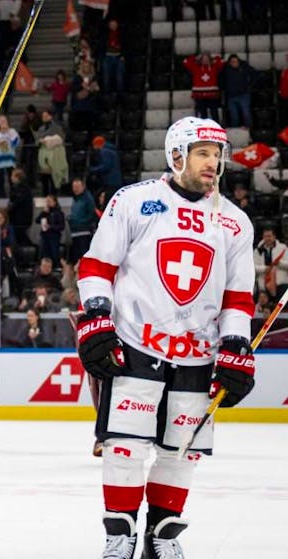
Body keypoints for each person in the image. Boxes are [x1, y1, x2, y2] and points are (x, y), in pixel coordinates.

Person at [76, 117, 255, 558]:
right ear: (177, 155)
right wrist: (97, 318)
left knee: (181, 452)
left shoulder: (235, 222)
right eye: (203, 154)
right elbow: (97, 266)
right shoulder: (135, 200)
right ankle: (120, 536)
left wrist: (235, 346)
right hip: (136, 343)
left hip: (198, 354)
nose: (213, 163)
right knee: (124, 446)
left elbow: (239, 296)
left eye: (217, 155)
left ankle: (163, 537)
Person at [183, 52, 224, 122]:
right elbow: (185, 62)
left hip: (212, 95)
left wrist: (214, 57)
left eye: (207, 59)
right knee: (202, 114)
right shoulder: (195, 67)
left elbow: (222, 62)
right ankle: (204, 128)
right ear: (200, 60)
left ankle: (216, 127)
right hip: (199, 96)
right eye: (203, 59)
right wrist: (195, 57)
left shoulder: (214, 67)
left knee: (214, 113)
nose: (205, 61)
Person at [67, 177, 96, 265]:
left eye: (77, 187)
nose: (75, 189)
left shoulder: (88, 199)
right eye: (74, 187)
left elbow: (91, 215)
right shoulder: (76, 199)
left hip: (83, 232)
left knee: (83, 257)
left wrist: (79, 222)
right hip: (75, 232)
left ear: (83, 187)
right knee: (77, 258)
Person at [254, 227, 288, 299]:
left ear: (274, 237)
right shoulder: (258, 250)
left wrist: (280, 263)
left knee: (282, 309)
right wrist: (264, 269)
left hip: (281, 284)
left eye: (269, 236)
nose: (267, 238)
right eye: (265, 236)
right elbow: (252, 267)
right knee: (267, 309)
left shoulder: (283, 248)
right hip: (264, 286)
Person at [36, 194, 66, 263]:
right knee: (44, 254)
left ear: (54, 202)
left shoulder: (59, 213)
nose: (48, 203)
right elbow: (37, 220)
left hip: (54, 236)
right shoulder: (45, 212)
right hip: (44, 236)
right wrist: (43, 213)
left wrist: (51, 227)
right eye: (47, 201)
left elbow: (62, 226)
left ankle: (55, 267)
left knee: (54, 254)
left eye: (49, 201)